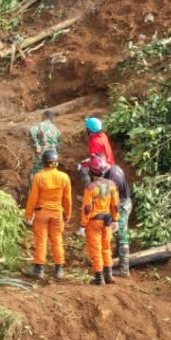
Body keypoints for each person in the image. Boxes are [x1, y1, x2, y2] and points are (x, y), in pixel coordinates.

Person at [24, 149, 71, 279]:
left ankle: (39, 269)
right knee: (57, 240)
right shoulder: (64, 177)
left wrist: (28, 214)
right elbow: (67, 199)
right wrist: (67, 214)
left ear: (43, 162)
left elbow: (33, 198)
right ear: (56, 162)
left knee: (41, 240)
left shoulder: (39, 177)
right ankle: (59, 269)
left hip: (41, 214)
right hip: (57, 214)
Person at [81, 154, 120, 285]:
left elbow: (87, 208)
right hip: (108, 221)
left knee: (96, 249)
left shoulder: (90, 187)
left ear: (92, 171)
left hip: (94, 222)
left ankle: (99, 278)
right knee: (106, 247)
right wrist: (116, 220)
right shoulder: (112, 185)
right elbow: (115, 205)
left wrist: (83, 225)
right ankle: (109, 275)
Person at [104, 156, 134, 277]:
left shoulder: (113, 178)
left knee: (121, 235)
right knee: (118, 234)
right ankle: (118, 258)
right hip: (123, 202)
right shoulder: (113, 168)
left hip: (121, 205)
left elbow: (111, 198)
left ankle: (124, 269)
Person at [80, 116, 117, 187]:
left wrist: (83, 165)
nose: (86, 129)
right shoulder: (103, 135)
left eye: (87, 128)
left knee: (83, 170)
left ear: (90, 130)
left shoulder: (95, 142)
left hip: (104, 168)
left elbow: (95, 160)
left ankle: (89, 189)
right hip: (109, 163)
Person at [29, 109, 62, 176]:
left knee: (36, 174)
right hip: (53, 156)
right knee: (52, 174)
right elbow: (59, 146)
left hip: (42, 154)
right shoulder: (56, 130)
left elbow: (32, 132)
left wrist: (37, 146)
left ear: (44, 116)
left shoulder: (39, 125)